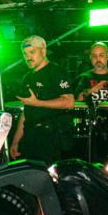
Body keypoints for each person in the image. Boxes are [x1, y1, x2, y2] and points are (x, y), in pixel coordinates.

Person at [11, 35, 74, 164]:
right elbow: (26, 111)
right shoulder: (27, 77)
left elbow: (69, 102)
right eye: (25, 53)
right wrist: (16, 141)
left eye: (32, 52)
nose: (28, 57)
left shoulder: (56, 72)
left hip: (50, 136)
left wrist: (37, 103)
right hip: (30, 135)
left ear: (43, 51)